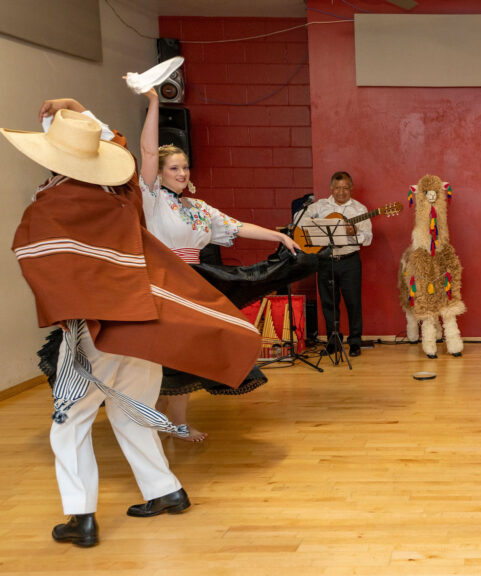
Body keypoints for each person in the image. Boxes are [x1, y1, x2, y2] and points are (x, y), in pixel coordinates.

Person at [4, 99, 260, 547]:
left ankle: (81, 516)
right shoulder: (122, 196)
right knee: (131, 412)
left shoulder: (48, 204)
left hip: (97, 331)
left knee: (69, 423)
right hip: (145, 326)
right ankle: (166, 492)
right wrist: (85, 114)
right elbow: (120, 153)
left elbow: (38, 260)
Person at [137, 89, 302, 442]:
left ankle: (171, 421)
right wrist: (154, 104)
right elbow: (149, 151)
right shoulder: (152, 200)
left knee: (187, 357)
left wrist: (278, 236)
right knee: (168, 358)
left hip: (194, 284)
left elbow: (237, 226)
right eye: (174, 168)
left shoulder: (198, 208)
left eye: (185, 167)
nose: (182, 173)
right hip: (164, 284)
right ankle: (155, 420)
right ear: (160, 173)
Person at [296, 171, 372, 357]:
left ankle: (355, 342)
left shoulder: (360, 210)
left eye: (345, 188)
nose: (341, 192)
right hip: (324, 260)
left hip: (349, 261)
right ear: (331, 188)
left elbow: (368, 238)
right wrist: (315, 223)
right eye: (337, 188)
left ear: (351, 189)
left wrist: (353, 232)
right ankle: (333, 341)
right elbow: (298, 218)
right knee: (329, 303)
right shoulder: (320, 206)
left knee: (353, 303)